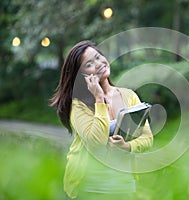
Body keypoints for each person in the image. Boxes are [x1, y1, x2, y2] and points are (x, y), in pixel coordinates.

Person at [50, 40, 153, 199]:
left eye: (98, 57)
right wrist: (99, 98)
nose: (99, 64)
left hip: (125, 185)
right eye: (89, 64)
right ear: (81, 75)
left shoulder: (129, 96)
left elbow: (147, 138)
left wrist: (127, 146)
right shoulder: (79, 105)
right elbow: (96, 141)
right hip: (89, 188)